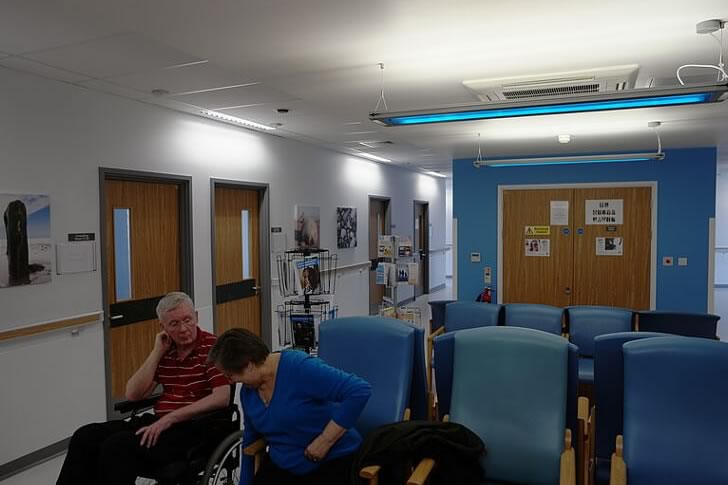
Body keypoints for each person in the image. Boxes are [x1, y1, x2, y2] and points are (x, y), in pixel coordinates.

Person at [57, 292, 231, 485]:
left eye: (187, 320)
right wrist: (157, 352)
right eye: (174, 324)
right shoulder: (167, 349)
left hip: (193, 427)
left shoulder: (213, 347)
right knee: (85, 436)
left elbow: (222, 397)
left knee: (117, 446)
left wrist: (171, 418)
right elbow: (133, 394)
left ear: (196, 317)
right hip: (159, 423)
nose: (183, 329)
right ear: (162, 327)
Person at [208, 328, 372, 485]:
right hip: (284, 465)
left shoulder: (299, 367)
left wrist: (325, 440)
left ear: (249, 365)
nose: (231, 381)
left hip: (330, 459)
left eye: (230, 375)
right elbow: (250, 441)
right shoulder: (248, 393)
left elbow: (359, 391)